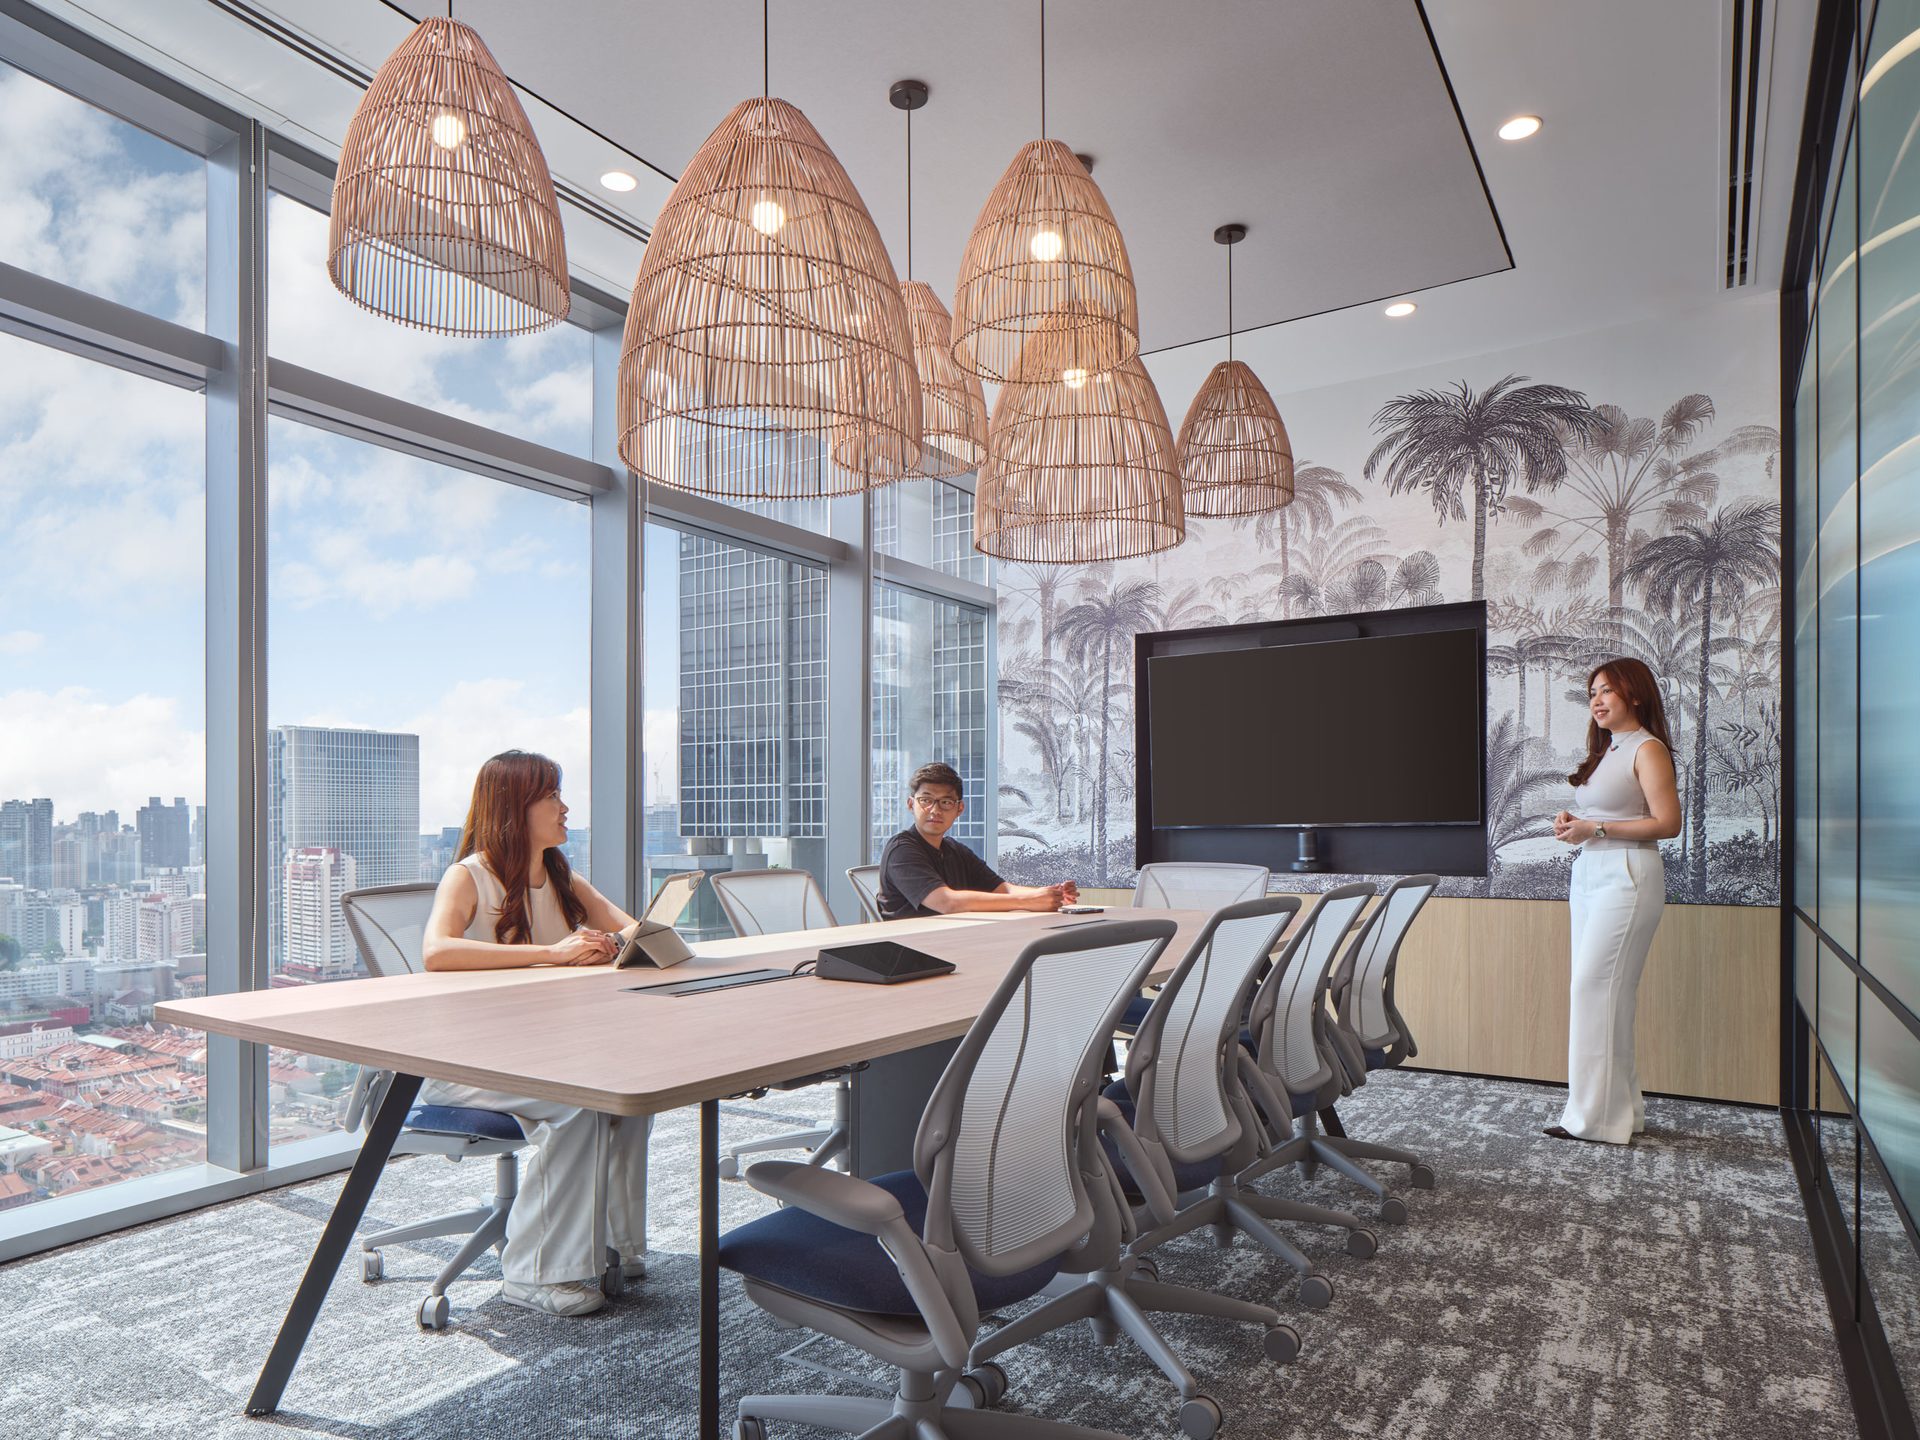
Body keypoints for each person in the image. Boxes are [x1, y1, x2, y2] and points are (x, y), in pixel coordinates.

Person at [420, 750, 651, 1316]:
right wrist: (553, 953)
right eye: (552, 796)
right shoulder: (468, 875)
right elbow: (436, 951)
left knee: (629, 1097)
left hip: (540, 1055)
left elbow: (636, 929)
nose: (564, 807)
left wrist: (612, 945)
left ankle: (612, 1246)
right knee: (579, 1106)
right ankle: (532, 1274)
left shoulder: (561, 876)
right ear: (514, 807)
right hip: (468, 1064)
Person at [1546, 658, 1683, 1145]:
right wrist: (1576, 824)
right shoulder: (1610, 749)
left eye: (1607, 691)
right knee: (1607, 995)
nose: (1597, 700)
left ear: (1636, 695)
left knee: (1594, 989)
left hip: (1628, 874)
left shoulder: (1647, 748)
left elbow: (1668, 823)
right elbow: (1604, 812)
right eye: (1592, 693)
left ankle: (1592, 1119)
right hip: (1592, 874)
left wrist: (1596, 828)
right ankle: (1620, 1112)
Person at [875, 761, 1079, 920]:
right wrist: (1030, 901)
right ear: (911, 804)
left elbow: (1002, 888)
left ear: (959, 809)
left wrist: (1050, 894)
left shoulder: (955, 850)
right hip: (911, 953)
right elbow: (947, 902)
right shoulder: (901, 849)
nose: (935, 810)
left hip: (953, 941)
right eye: (926, 800)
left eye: (945, 802)